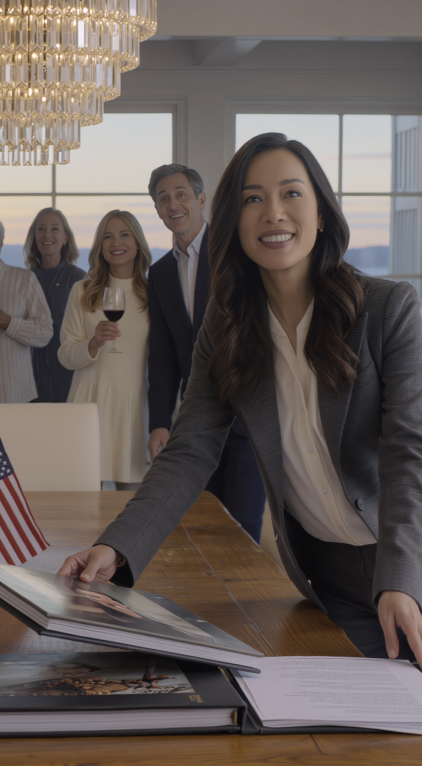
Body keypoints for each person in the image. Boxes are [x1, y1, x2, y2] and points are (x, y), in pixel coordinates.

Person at [59, 133, 422, 666]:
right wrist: (115, 547)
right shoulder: (226, 326)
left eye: (291, 193)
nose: (273, 213)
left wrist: (401, 581)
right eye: (253, 199)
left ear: (321, 212)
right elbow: (189, 450)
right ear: (233, 220)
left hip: (409, 566)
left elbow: (408, 454)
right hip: (329, 583)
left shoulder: (391, 309)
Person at [146, 163, 266, 542]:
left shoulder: (239, 254)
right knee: (203, 529)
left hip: (247, 415)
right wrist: (160, 421)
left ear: (200, 200)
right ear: (157, 210)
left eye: (180, 194)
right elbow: (162, 354)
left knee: (243, 531)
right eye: (163, 198)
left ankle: (247, 602)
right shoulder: (160, 273)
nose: (172, 204)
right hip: (197, 423)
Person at [58, 210, 152, 490]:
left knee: (131, 505)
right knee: (85, 506)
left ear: (137, 242)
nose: (115, 242)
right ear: (100, 245)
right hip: (89, 403)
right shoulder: (82, 291)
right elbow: (65, 356)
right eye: (107, 236)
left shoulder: (154, 292)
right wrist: (94, 343)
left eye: (124, 234)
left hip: (135, 407)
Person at [0, 214, 53, 403]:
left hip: (17, 393)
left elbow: (45, 333)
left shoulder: (25, 279)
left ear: (2, 242)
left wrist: (8, 322)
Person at [23, 208, 86, 402]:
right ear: (34, 237)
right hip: (30, 378)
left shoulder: (79, 280)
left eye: (55, 229)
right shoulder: (24, 280)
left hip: (68, 375)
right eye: (41, 229)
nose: (47, 234)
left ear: (65, 237)